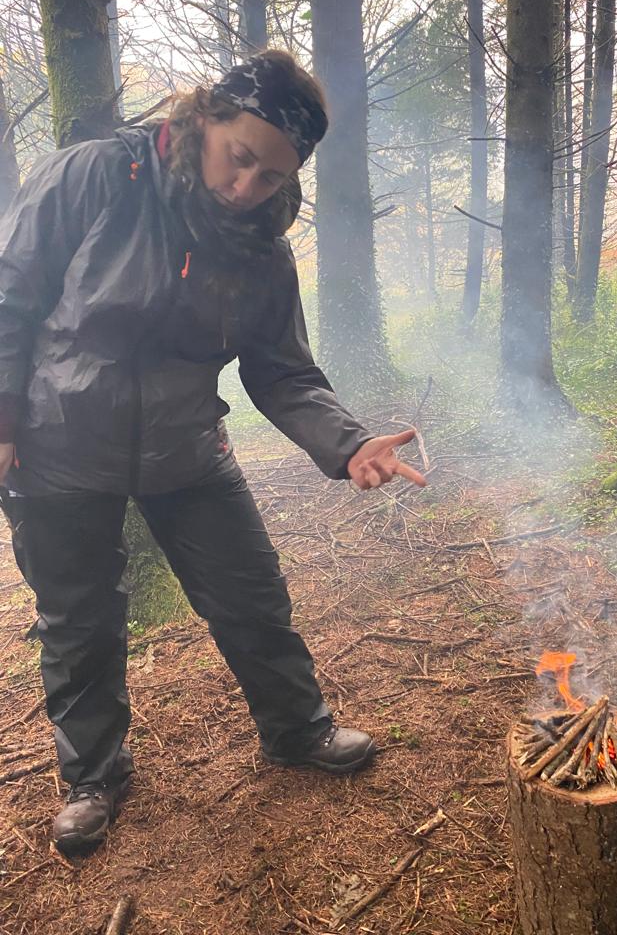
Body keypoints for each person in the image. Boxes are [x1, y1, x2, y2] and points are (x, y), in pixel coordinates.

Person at [0, 49, 426, 856]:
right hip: (60, 444)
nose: (247, 186)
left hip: (187, 445)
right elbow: (9, 300)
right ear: (207, 117)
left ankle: (297, 729)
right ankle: (94, 777)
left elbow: (282, 370)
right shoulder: (96, 176)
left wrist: (348, 444)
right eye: (241, 157)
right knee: (78, 622)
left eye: (272, 176)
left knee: (251, 594)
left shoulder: (260, 247)